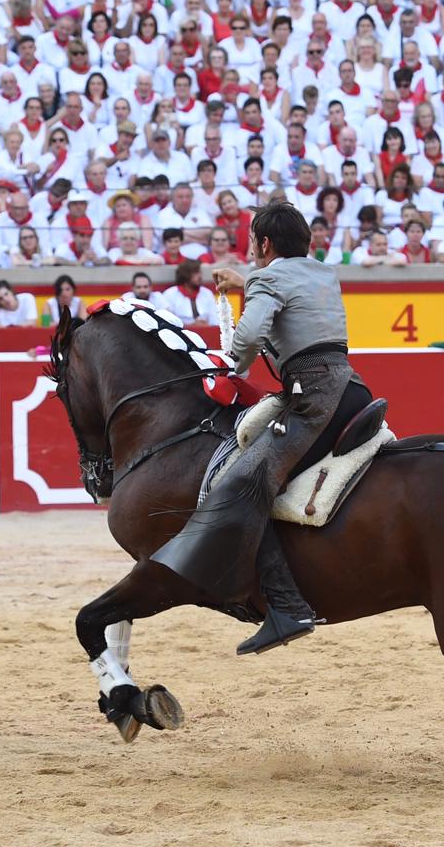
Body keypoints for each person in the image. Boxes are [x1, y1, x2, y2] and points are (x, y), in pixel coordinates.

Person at [152, 201, 379, 656]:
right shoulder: (323, 272)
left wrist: (231, 358)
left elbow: (248, 342)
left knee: (240, 484)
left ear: (266, 244)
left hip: (312, 402)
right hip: (350, 389)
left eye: (254, 241)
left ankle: (287, 606)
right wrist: (247, 280)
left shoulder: (268, 279)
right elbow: (284, 286)